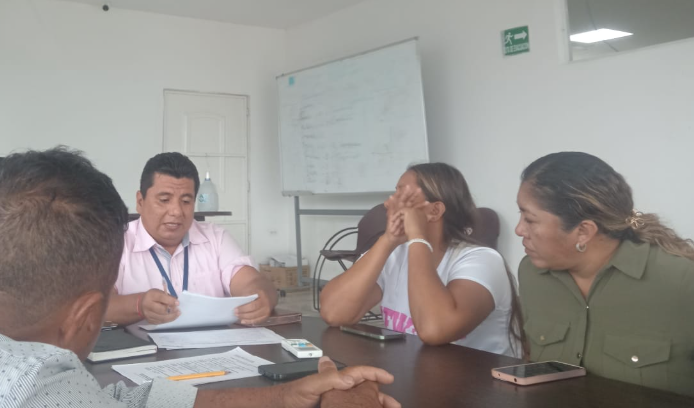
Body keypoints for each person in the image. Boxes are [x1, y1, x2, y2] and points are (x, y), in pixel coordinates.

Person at [0, 147, 400, 408]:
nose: (176, 212)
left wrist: (286, 396)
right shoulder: (30, 385)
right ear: (86, 317)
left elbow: (123, 399)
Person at [516, 151, 694, 396]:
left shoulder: (681, 282)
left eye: (529, 219)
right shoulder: (532, 274)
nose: (519, 229)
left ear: (583, 232)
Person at [320, 163, 523, 357]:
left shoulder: (483, 261)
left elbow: (434, 329)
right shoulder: (395, 253)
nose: (387, 203)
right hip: (415, 373)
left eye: (401, 195)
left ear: (434, 211)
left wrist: (417, 236)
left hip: (479, 380)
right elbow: (333, 313)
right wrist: (388, 240)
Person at [107, 152, 277, 326]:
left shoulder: (216, 238)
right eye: (164, 200)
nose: (176, 211)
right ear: (140, 202)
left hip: (213, 341)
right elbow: (99, 305)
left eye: (186, 201)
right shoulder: (117, 243)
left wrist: (260, 298)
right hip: (141, 343)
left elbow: (251, 281)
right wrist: (139, 305)